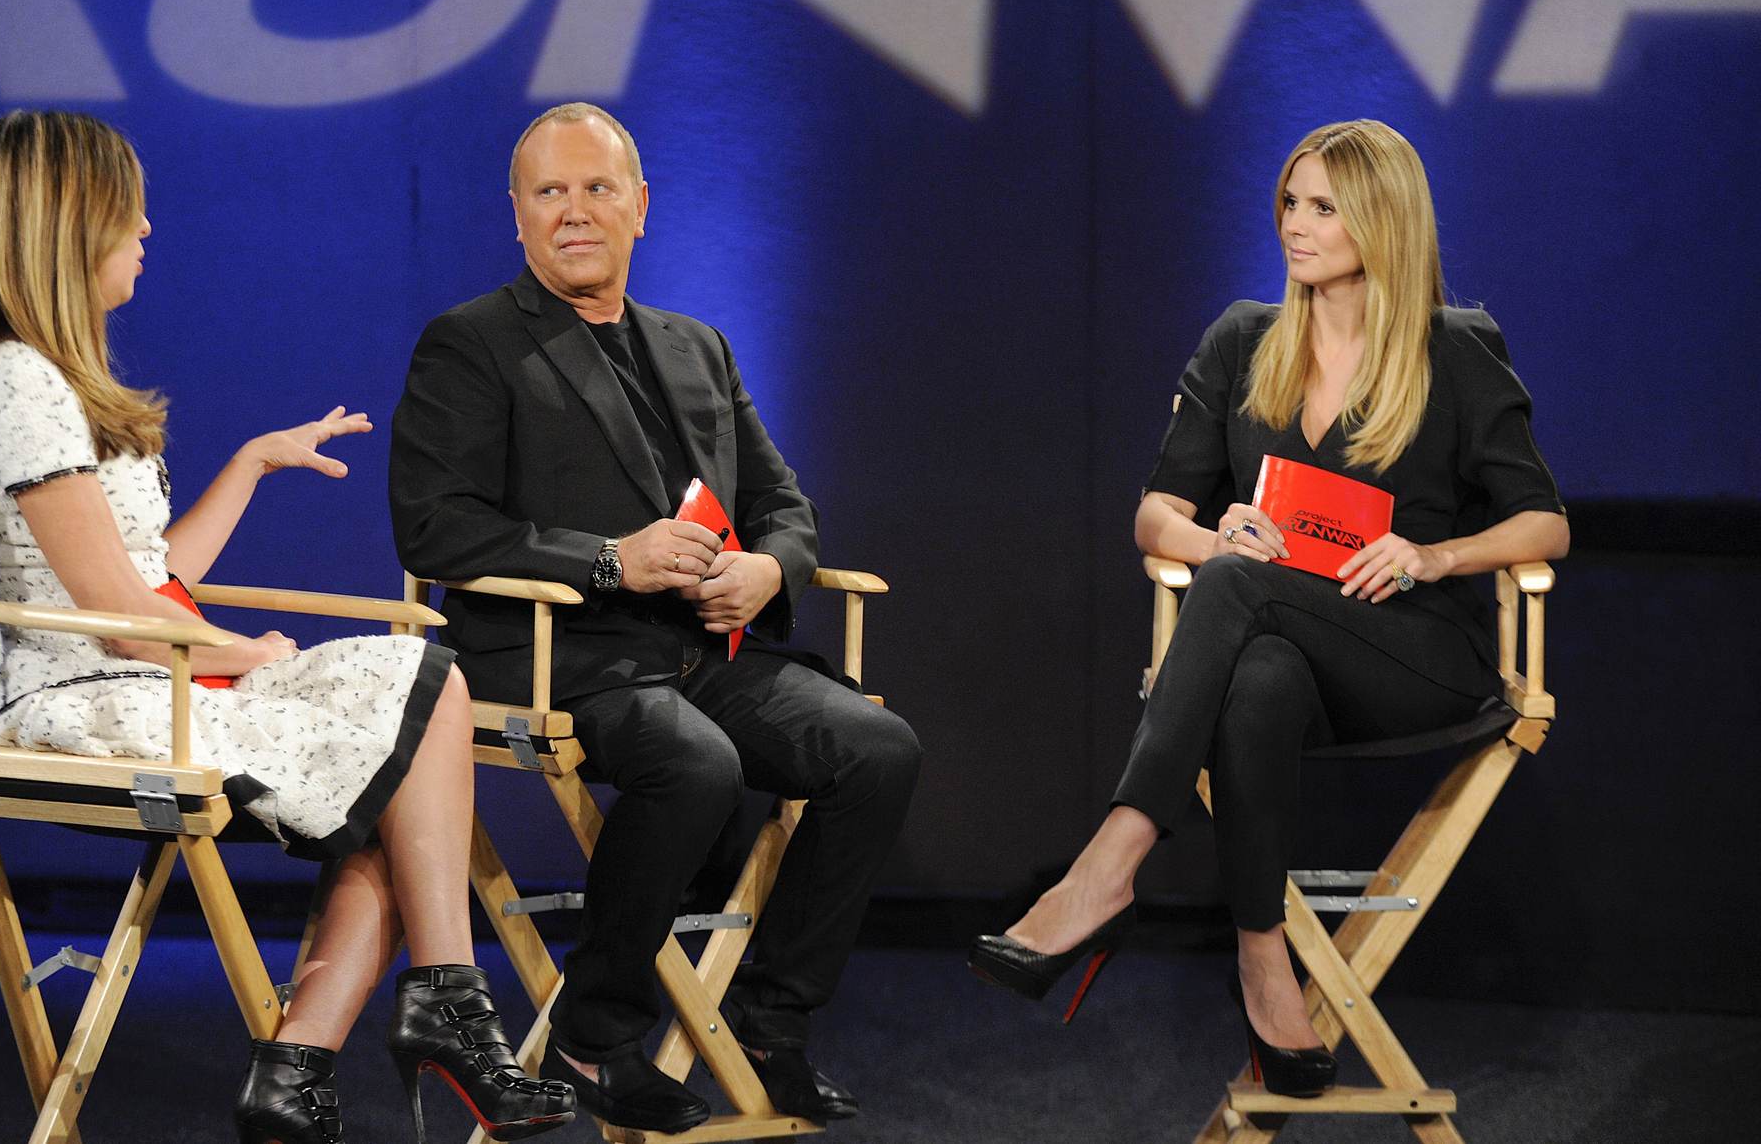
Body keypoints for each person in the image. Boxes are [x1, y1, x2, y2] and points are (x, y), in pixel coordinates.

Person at [0, 111, 573, 1144]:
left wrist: (250, 464)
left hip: (138, 670)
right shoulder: (18, 378)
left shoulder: (43, 376)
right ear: (63, 223)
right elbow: (124, 619)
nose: (147, 229)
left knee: (411, 716)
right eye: (127, 209)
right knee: (411, 714)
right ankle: (405, 1019)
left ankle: (325, 1057)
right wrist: (235, 653)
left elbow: (147, 576)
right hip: (89, 699)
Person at [969, 119, 1568, 1095]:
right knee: (1253, 673)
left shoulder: (1453, 349)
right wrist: (1216, 537)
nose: (1295, 224)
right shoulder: (1243, 340)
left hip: (1415, 650)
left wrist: (1432, 553)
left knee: (1237, 594)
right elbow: (1154, 512)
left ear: (1381, 220)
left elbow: (1543, 524)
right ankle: (1262, 962)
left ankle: (1106, 866)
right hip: (1275, 639)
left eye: (1323, 207)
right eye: (1289, 202)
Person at [389, 102, 923, 1132]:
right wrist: (606, 562)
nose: (576, 213)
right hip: (554, 653)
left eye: (598, 189)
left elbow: (782, 505)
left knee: (876, 748)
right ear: (516, 216)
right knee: (697, 764)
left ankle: (770, 1022)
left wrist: (769, 569)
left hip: (699, 647)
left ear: (642, 207)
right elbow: (434, 528)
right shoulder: (471, 344)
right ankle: (597, 1037)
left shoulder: (697, 347)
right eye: (550, 193)